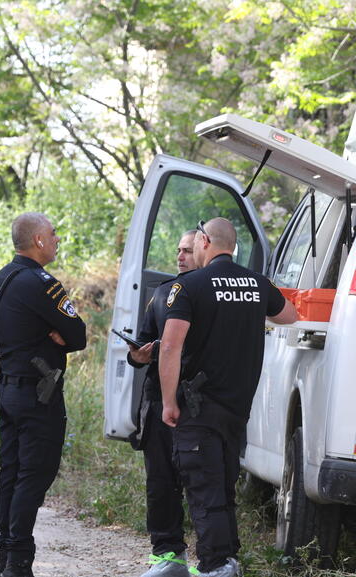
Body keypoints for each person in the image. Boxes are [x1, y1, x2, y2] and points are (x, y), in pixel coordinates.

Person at [159, 218, 298, 577]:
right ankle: (227, 561)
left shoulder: (190, 285)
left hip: (199, 406)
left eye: (196, 242)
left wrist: (169, 401)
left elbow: (170, 346)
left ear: (205, 241)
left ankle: (216, 565)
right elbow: (289, 315)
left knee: (204, 489)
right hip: (237, 409)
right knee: (222, 485)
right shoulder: (257, 284)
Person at [0, 212, 87, 577]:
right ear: (39, 240)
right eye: (53, 233)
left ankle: (6, 558)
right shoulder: (42, 284)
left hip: (8, 391)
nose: (57, 239)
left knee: (10, 473)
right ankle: (18, 563)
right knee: (34, 474)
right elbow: (78, 335)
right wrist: (57, 334)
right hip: (38, 397)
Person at [126, 230, 199, 577]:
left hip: (198, 402)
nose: (180, 256)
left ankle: (212, 559)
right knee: (160, 482)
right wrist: (138, 355)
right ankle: (168, 555)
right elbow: (139, 346)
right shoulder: (161, 293)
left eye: (188, 250)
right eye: (178, 250)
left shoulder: (208, 295)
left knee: (200, 483)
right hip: (157, 400)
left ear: (204, 251)